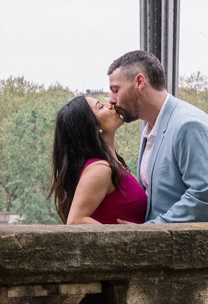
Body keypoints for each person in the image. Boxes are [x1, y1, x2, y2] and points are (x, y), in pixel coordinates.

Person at [106, 49, 208, 223]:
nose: (111, 100)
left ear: (139, 82)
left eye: (115, 89)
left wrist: (150, 230)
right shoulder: (151, 128)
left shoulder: (188, 125)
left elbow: (207, 194)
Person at [48, 95, 147, 224]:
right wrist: (121, 237)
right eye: (100, 106)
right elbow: (75, 221)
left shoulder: (112, 166)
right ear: (93, 127)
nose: (110, 104)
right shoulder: (100, 169)